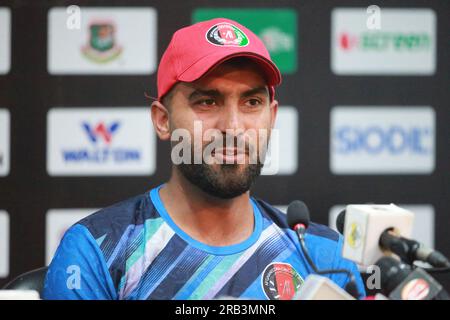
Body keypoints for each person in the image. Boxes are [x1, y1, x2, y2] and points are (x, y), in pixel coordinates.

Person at [43, 18, 365, 300]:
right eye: (208, 102)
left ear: (272, 116)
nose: (233, 127)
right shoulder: (98, 250)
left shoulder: (326, 258)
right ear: (162, 120)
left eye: (252, 102)